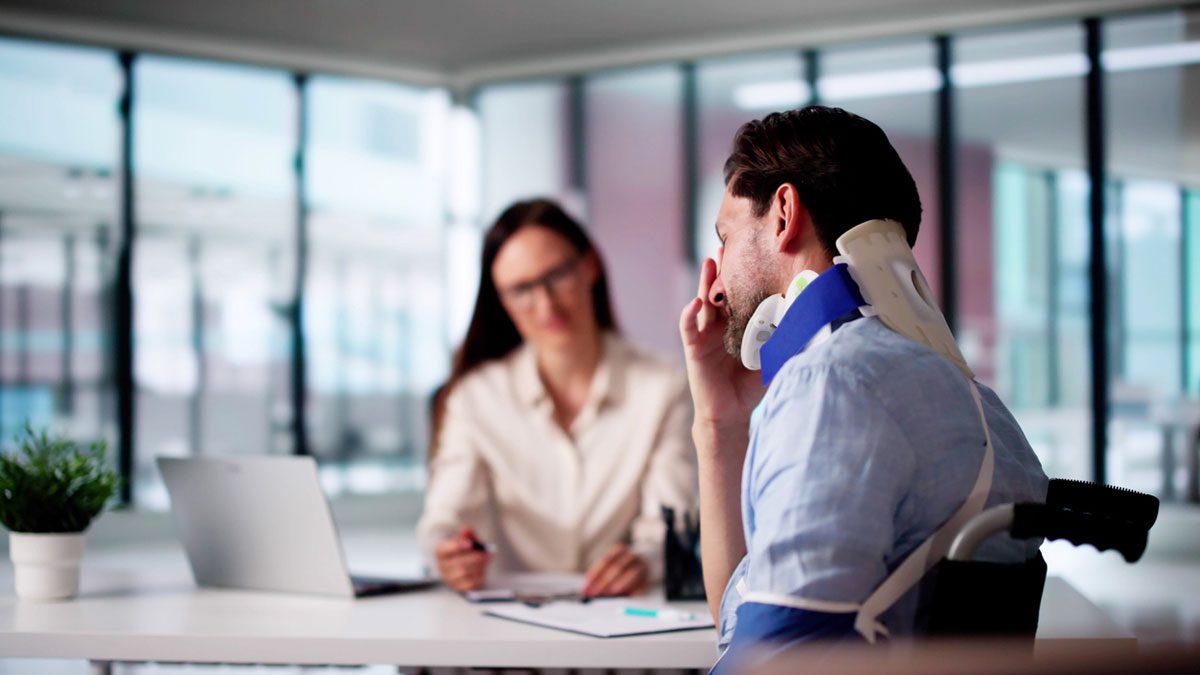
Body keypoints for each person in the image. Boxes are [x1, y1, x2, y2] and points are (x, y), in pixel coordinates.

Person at [677, 106, 1048, 668]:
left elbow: (775, 658)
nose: (718, 277)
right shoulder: (976, 401)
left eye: (725, 238)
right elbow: (746, 616)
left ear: (783, 214)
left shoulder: (831, 385)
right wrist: (719, 420)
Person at [419, 198, 696, 598]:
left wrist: (645, 560)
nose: (546, 304)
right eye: (521, 290)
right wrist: (449, 555)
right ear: (501, 301)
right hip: (513, 629)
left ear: (590, 267)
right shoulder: (474, 398)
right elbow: (444, 521)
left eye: (557, 276)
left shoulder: (663, 385)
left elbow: (672, 525)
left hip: (623, 622)